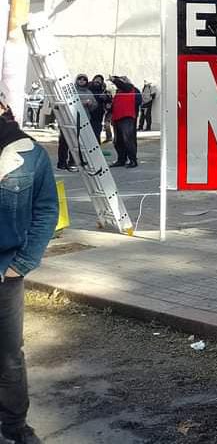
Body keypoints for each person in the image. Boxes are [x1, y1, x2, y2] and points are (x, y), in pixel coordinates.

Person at [0, 89, 58, 444]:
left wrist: (21, 264)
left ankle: (14, 425)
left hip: (5, 273)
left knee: (8, 357)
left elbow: (46, 209)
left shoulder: (30, 155)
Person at [56, 74, 92, 172]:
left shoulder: (89, 92)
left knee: (76, 143)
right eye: (80, 79)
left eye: (84, 79)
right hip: (67, 119)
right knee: (64, 142)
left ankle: (73, 162)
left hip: (81, 121)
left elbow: (94, 106)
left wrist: (90, 104)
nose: (82, 81)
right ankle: (62, 162)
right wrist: (80, 103)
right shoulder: (70, 91)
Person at [109, 77, 140, 168]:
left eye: (122, 80)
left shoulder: (130, 88)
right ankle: (121, 159)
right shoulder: (119, 92)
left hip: (127, 117)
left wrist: (114, 80)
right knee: (118, 141)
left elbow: (123, 85)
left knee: (128, 140)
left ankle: (133, 160)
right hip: (117, 118)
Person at [92, 75, 113, 143]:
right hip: (88, 114)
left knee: (98, 130)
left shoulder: (105, 92)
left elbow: (109, 102)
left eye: (99, 80)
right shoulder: (89, 88)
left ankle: (108, 137)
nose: (97, 81)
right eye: (96, 79)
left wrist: (106, 99)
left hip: (99, 114)